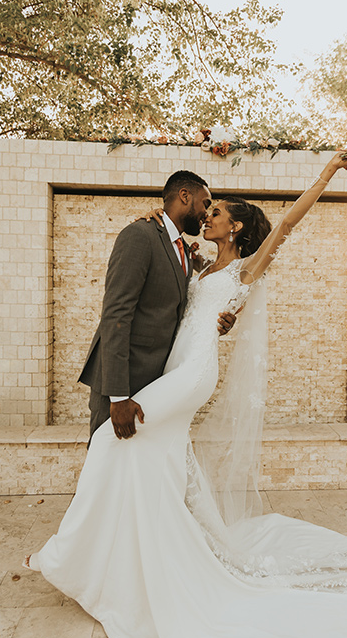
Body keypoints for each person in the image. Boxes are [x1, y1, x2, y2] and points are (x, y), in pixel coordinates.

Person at [23, 146, 347, 638]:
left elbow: (291, 220)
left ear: (235, 228)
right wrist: (152, 219)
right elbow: (168, 278)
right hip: (174, 368)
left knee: (115, 443)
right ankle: (120, 559)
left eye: (215, 212)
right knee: (142, 459)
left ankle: (75, 558)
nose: (207, 215)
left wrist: (329, 171)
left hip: (191, 375)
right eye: (204, 208)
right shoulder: (199, 262)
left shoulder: (249, 267)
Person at [76, 169, 236, 442]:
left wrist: (218, 320)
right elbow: (116, 314)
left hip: (159, 382)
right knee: (108, 463)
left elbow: (182, 308)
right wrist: (119, 396)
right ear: (185, 196)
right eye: (205, 203)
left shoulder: (185, 250)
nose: (206, 214)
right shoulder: (140, 235)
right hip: (124, 382)